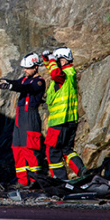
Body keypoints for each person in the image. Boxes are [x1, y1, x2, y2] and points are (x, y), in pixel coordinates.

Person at [0, 53, 46, 188]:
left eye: (27, 68)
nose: (25, 70)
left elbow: (27, 88)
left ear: (36, 67)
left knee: (29, 149)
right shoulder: (24, 79)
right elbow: (14, 83)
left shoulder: (39, 81)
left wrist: (10, 87)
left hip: (30, 117)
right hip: (20, 118)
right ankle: (22, 180)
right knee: (17, 149)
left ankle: (35, 180)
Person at [41, 46, 87, 180]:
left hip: (59, 122)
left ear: (64, 60)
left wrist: (50, 58)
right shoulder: (69, 73)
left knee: (53, 151)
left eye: (57, 60)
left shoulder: (62, 75)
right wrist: (46, 58)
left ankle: (60, 180)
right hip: (70, 121)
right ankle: (81, 171)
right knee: (67, 150)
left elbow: (55, 73)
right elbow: (52, 69)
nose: (55, 63)